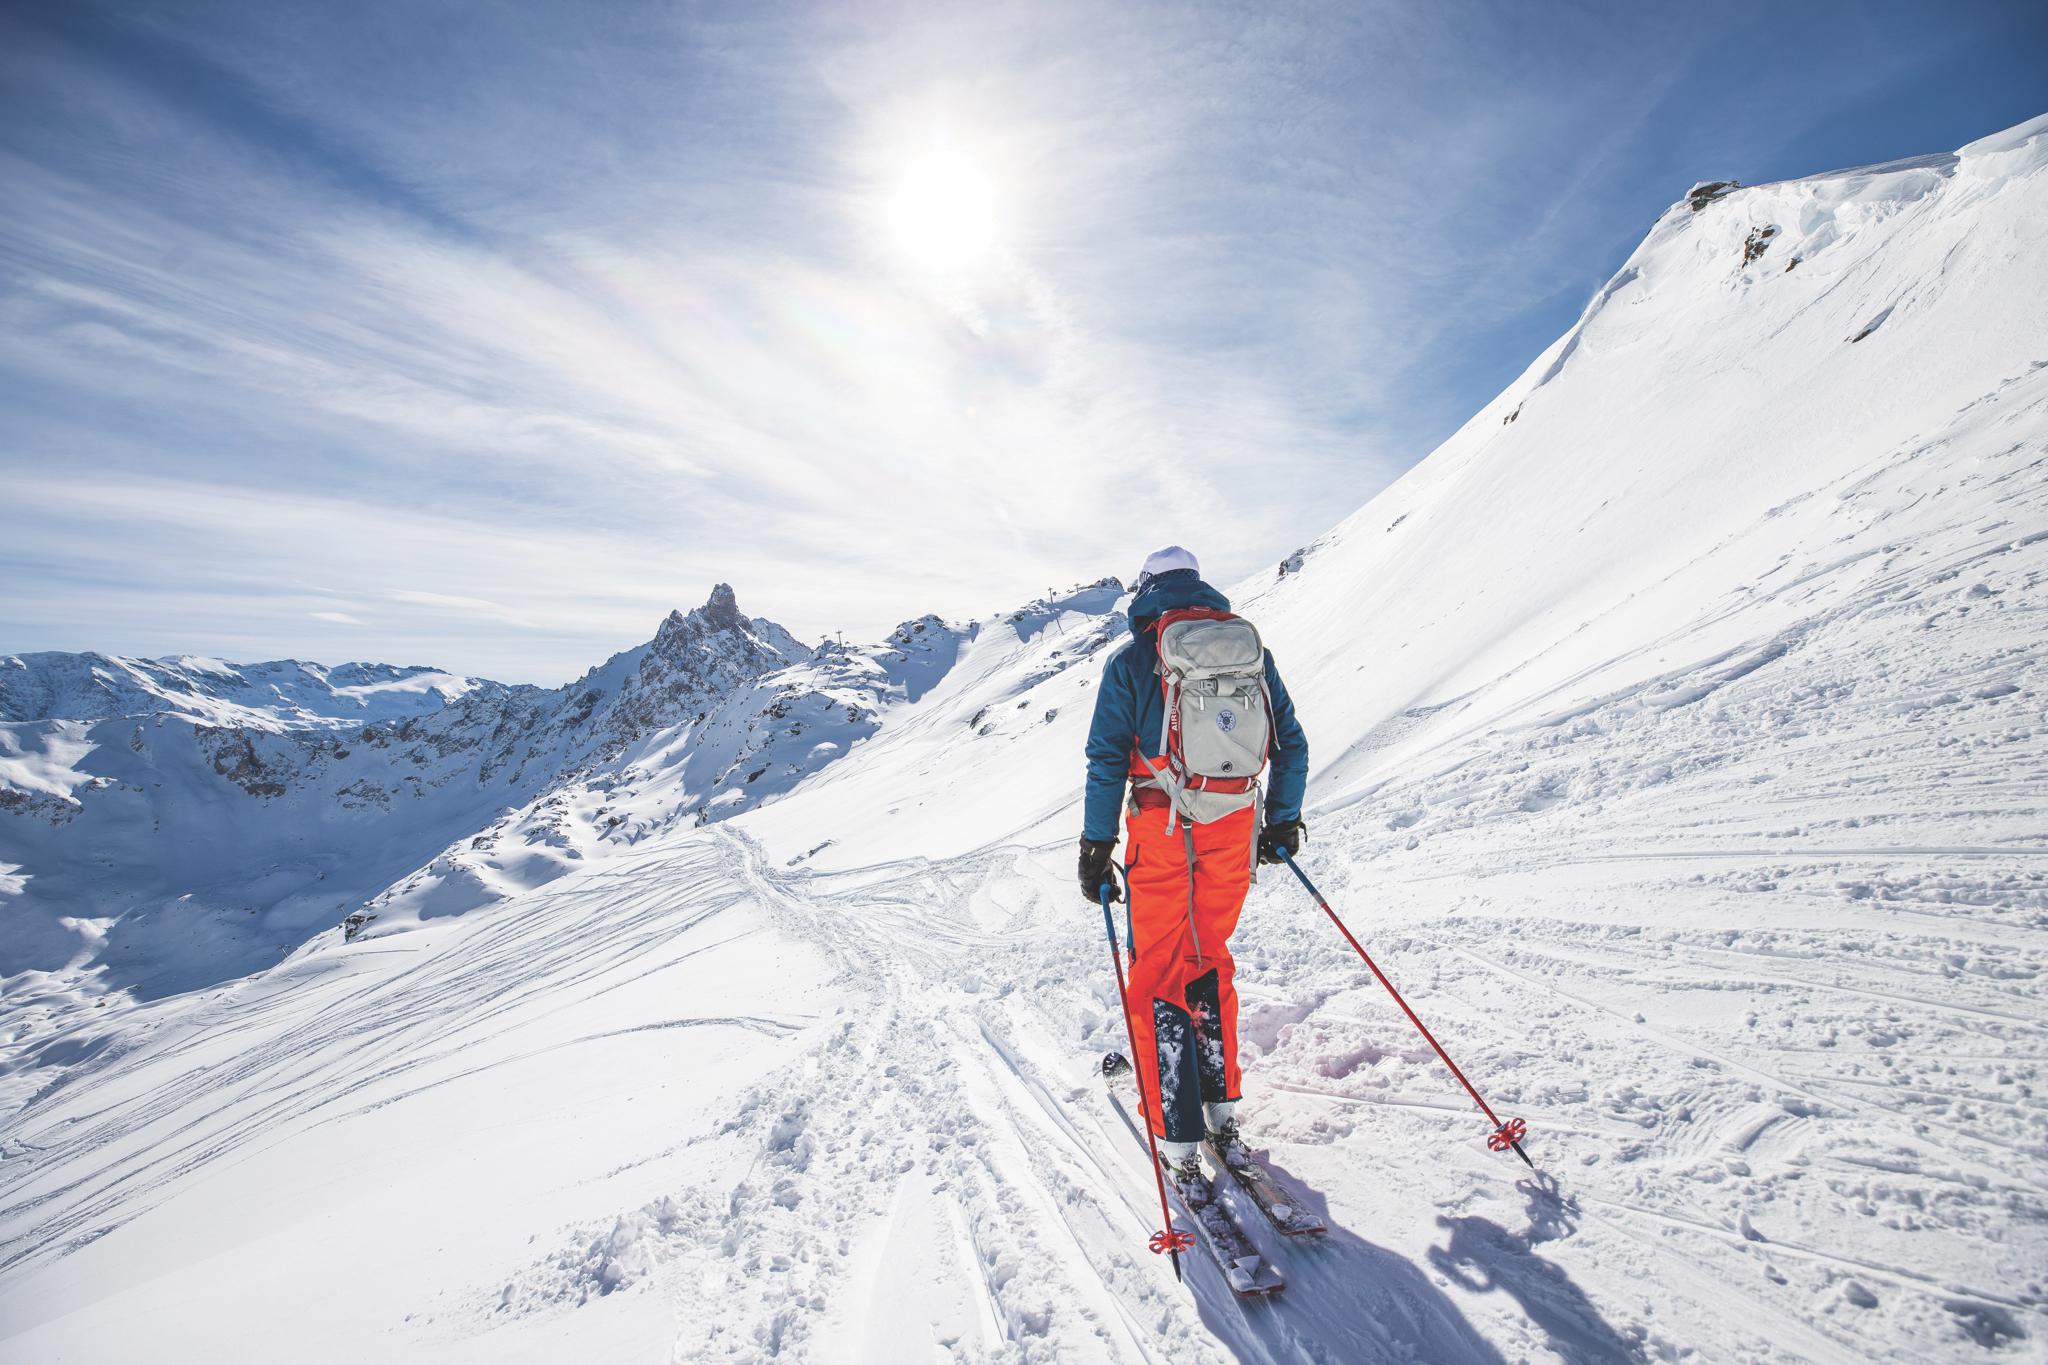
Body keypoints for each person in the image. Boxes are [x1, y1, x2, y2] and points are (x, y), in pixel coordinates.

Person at [1079, 545, 1308, 1196]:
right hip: (1233, 825)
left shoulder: (1133, 661)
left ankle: (1176, 1135)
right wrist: (1281, 821)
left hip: (1162, 823)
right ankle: (1222, 1110)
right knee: (1208, 954)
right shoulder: (1247, 652)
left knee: (1156, 968)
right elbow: (1292, 741)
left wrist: (1096, 847)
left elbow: (1104, 760)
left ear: (1147, 591)